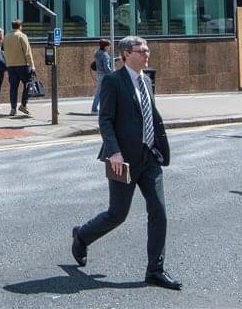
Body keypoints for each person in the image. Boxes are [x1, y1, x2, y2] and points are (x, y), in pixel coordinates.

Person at [71, 34, 180, 292]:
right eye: (141, 50)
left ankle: (155, 270)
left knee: (159, 212)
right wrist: (114, 152)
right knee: (117, 214)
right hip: (123, 160)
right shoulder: (112, 81)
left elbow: (149, 115)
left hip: (149, 157)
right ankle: (82, 236)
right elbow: (105, 121)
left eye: (147, 49)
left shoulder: (146, 80)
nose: (146, 53)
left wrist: (157, 146)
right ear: (125, 55)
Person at [3, 18, 35, 117]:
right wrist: (32, 65)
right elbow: (27, 52)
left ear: (12, 26)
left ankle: (13, 109)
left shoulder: (6, 37)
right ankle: (23, 105)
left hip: (10, 66)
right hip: (22, 65)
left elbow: (4, 51)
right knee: (28, 84)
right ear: (20, 26)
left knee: (13, 88)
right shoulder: (22, 36)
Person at [92, 39, 114, 113]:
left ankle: (99, 108)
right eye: (108, 46)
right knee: (100, 92)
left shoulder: (98, 53)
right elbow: (107, 67)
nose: (109, 47)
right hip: (104, 76)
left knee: (101, 92)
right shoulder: (105, 55)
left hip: (99, 74)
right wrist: (113, 73)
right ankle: (94, 109)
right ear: (105, 46)